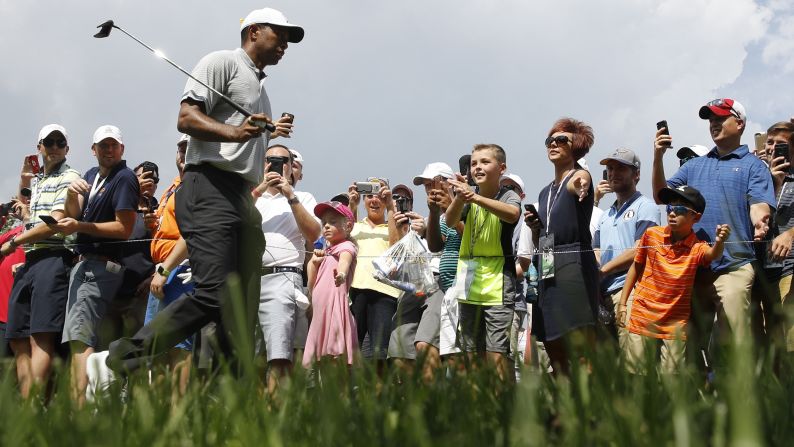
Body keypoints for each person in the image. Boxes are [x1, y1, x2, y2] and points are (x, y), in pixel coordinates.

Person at [107, 7, 302, 375]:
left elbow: (243, 133)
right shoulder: (221, 62)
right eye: (281, 35)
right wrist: (236, 132)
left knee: (241, 308)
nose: (286, 45)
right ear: (254, 31)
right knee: (215, 292)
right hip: (209, 185)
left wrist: (268, 131)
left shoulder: (261, 89)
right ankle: (124, 355)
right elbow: (187, 118)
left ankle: (233, 396)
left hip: (241, 196)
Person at [651, 99, 775, 364]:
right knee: (686, 348)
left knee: (734, 345)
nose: (714, 124)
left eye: (720, 118)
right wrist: (658, 157)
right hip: (692, 268)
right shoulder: (694, 166)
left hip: (734, 265)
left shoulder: (754, 166)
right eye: (710, 120)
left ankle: (741, 401)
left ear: (739, 123)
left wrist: (761, 220)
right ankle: (696, 402)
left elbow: (760, 204)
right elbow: (661, 196)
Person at [53, 125, 139, 404]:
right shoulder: (90, 175)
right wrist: (69, 195)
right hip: (87, 265)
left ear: (122, 149)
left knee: (80, 340)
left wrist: (80, 225)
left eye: (113, 145)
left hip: (99, 266)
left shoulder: (124, 177)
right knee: (87, 339)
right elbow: (72, 213)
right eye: (103, 145)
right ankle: (99, 402)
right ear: (94, 150)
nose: (109, 149)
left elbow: (124, 229)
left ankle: (83, 411)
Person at [1, 125, 81, 398]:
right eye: (50, 142)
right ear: (40, 147)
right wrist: (25, 178)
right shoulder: (38, 181)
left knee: (40, 339)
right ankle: (30, 401)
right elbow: (25, 212)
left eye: (61, 142)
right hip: (31, 260)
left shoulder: (70, 176)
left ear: (67, 149)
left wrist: (13, 243)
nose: (55, 146)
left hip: (54, 256)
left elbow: (55, 223)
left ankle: (32, 407)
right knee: (16, 338)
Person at [618, 186, 730, 373]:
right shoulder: (652, 235)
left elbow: (712, 255)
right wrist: (622, 304)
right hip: (642, 316)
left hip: (675, 325)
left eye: (680, 210)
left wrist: (720, 241)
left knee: (671, 379)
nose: (672, 213)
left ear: (696, 217)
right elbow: (636, 267)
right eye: (670, 207)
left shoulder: (697, 246)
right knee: (636, 375)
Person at [524, 118, 599, 374]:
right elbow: (541, 239)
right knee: (551, 340)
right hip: (546, 262)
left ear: (575, 147)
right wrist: (536, 229)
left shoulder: (577, 176)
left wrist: (583, 180)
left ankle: (589, 407)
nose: (553, 144)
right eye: (549, 140)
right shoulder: (545, 192)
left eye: (561, 140)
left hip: (574, 261)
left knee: (580, 342)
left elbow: (580, 179)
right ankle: (564, 406)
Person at [446, 144, 521, 381]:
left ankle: (501, 409)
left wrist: (474, 196)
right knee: (470, 352)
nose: (477, 167)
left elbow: (512, 214)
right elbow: (450, 221)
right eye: (474, 163)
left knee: (496, 352)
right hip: (468, 279)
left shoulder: (508, 194)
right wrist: (460, 197)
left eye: (485, 162)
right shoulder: (468, 196)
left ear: (501, 168)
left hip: (498, 282)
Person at [251, 144, 320, 393]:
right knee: (253, 357)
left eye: (283, 160)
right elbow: (233, 220)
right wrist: (259, 188)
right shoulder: (253, 196)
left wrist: (290, 195)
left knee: (279, 356)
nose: (276, 164)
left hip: (283, 277)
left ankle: (275, 416)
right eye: (270, 159)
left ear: (291, 166)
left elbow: (313, 233)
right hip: (249, 280)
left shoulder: (304, 198)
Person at [142, 135, 194, 397]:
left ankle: (179, 414)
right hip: (163, 267)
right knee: (156, 344)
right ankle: (159, 415)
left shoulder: (196, 184)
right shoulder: (174, 186)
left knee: (178, 343)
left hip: (181, 267)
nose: (183, 153)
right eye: (180, 148)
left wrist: (164, 270)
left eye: (190, 147)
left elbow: (190, 234)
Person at [592, 148, 660, 344]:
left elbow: (641, 250)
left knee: (634, 364)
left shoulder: (646, 206)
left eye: (621, 168)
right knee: (609, 365)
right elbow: (597, 252)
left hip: (632, 291)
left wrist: (604, 270)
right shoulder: (605, 216)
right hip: (604, 294)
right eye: (610, 168)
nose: (613, 173)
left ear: (636, 174)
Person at [347, 178, 400, 370]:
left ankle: (380, 397)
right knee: (351, 349)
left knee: (379, 353)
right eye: (369, 195)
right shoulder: (356, 225)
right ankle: (349, 396)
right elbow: (343, 239)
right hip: (355, 290)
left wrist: (391, 208)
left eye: (379, 195)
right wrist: (352, 205)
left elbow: (396, 249)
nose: (374, 200)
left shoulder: (393, 225)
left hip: (385, 292)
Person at [412, 162, 455, 379]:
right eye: (426, 185)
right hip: (425, 284)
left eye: (434, 183)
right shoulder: (432, 217)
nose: (430, 189)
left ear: (450, 183)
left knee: (426, 344)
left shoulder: (465, 208)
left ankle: (434, 405)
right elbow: (434, 246)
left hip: (450, 283)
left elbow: (444, 242)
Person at [302, 201, 358, 368]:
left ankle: (340, 393)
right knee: (322, 360)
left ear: (348, 226)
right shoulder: (325, 252)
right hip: (321, 308)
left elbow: (345, 261)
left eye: (332, 222)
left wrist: (341, 274)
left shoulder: (346, 246)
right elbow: (312, 284)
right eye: (324, 222)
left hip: (334, 306)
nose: (326, 226)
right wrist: (313, 262)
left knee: (335, 357)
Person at [762, 121, 794, 357]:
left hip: (790, 268)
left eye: (781, 144)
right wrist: (773, 183)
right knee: (772, 348)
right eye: (770, 142)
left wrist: (790, 234)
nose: (773, 148)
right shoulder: (760, 179)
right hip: (763, 270)